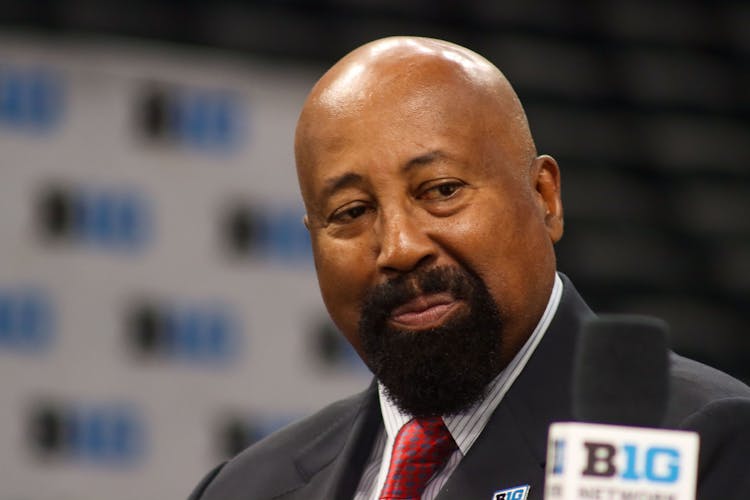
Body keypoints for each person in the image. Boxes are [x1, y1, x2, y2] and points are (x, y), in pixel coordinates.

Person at [188, 36, 750, 500]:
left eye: (442, 190)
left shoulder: (695, 445)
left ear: (544, 197)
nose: (399, 247)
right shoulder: (241, 489)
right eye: (352, 212)